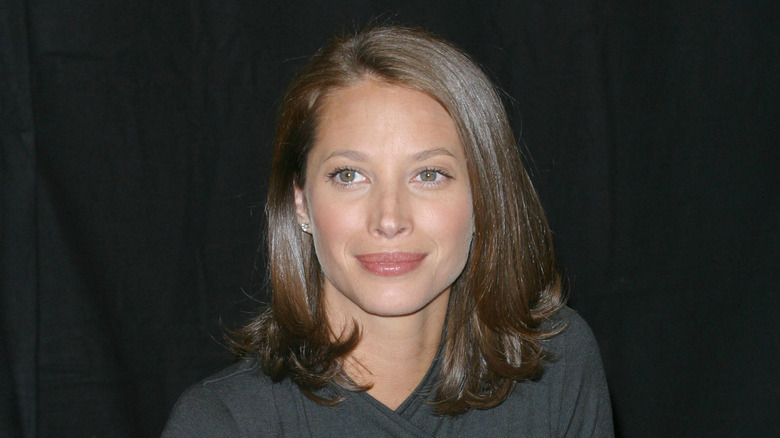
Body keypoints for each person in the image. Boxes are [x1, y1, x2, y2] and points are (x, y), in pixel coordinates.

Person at [162, 25, 613, 437]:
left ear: (484, 197)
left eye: (429, 174)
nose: (390, 219)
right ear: (301, 201)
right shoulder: (225, 422)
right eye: (349, 175)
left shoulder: (556, 364)